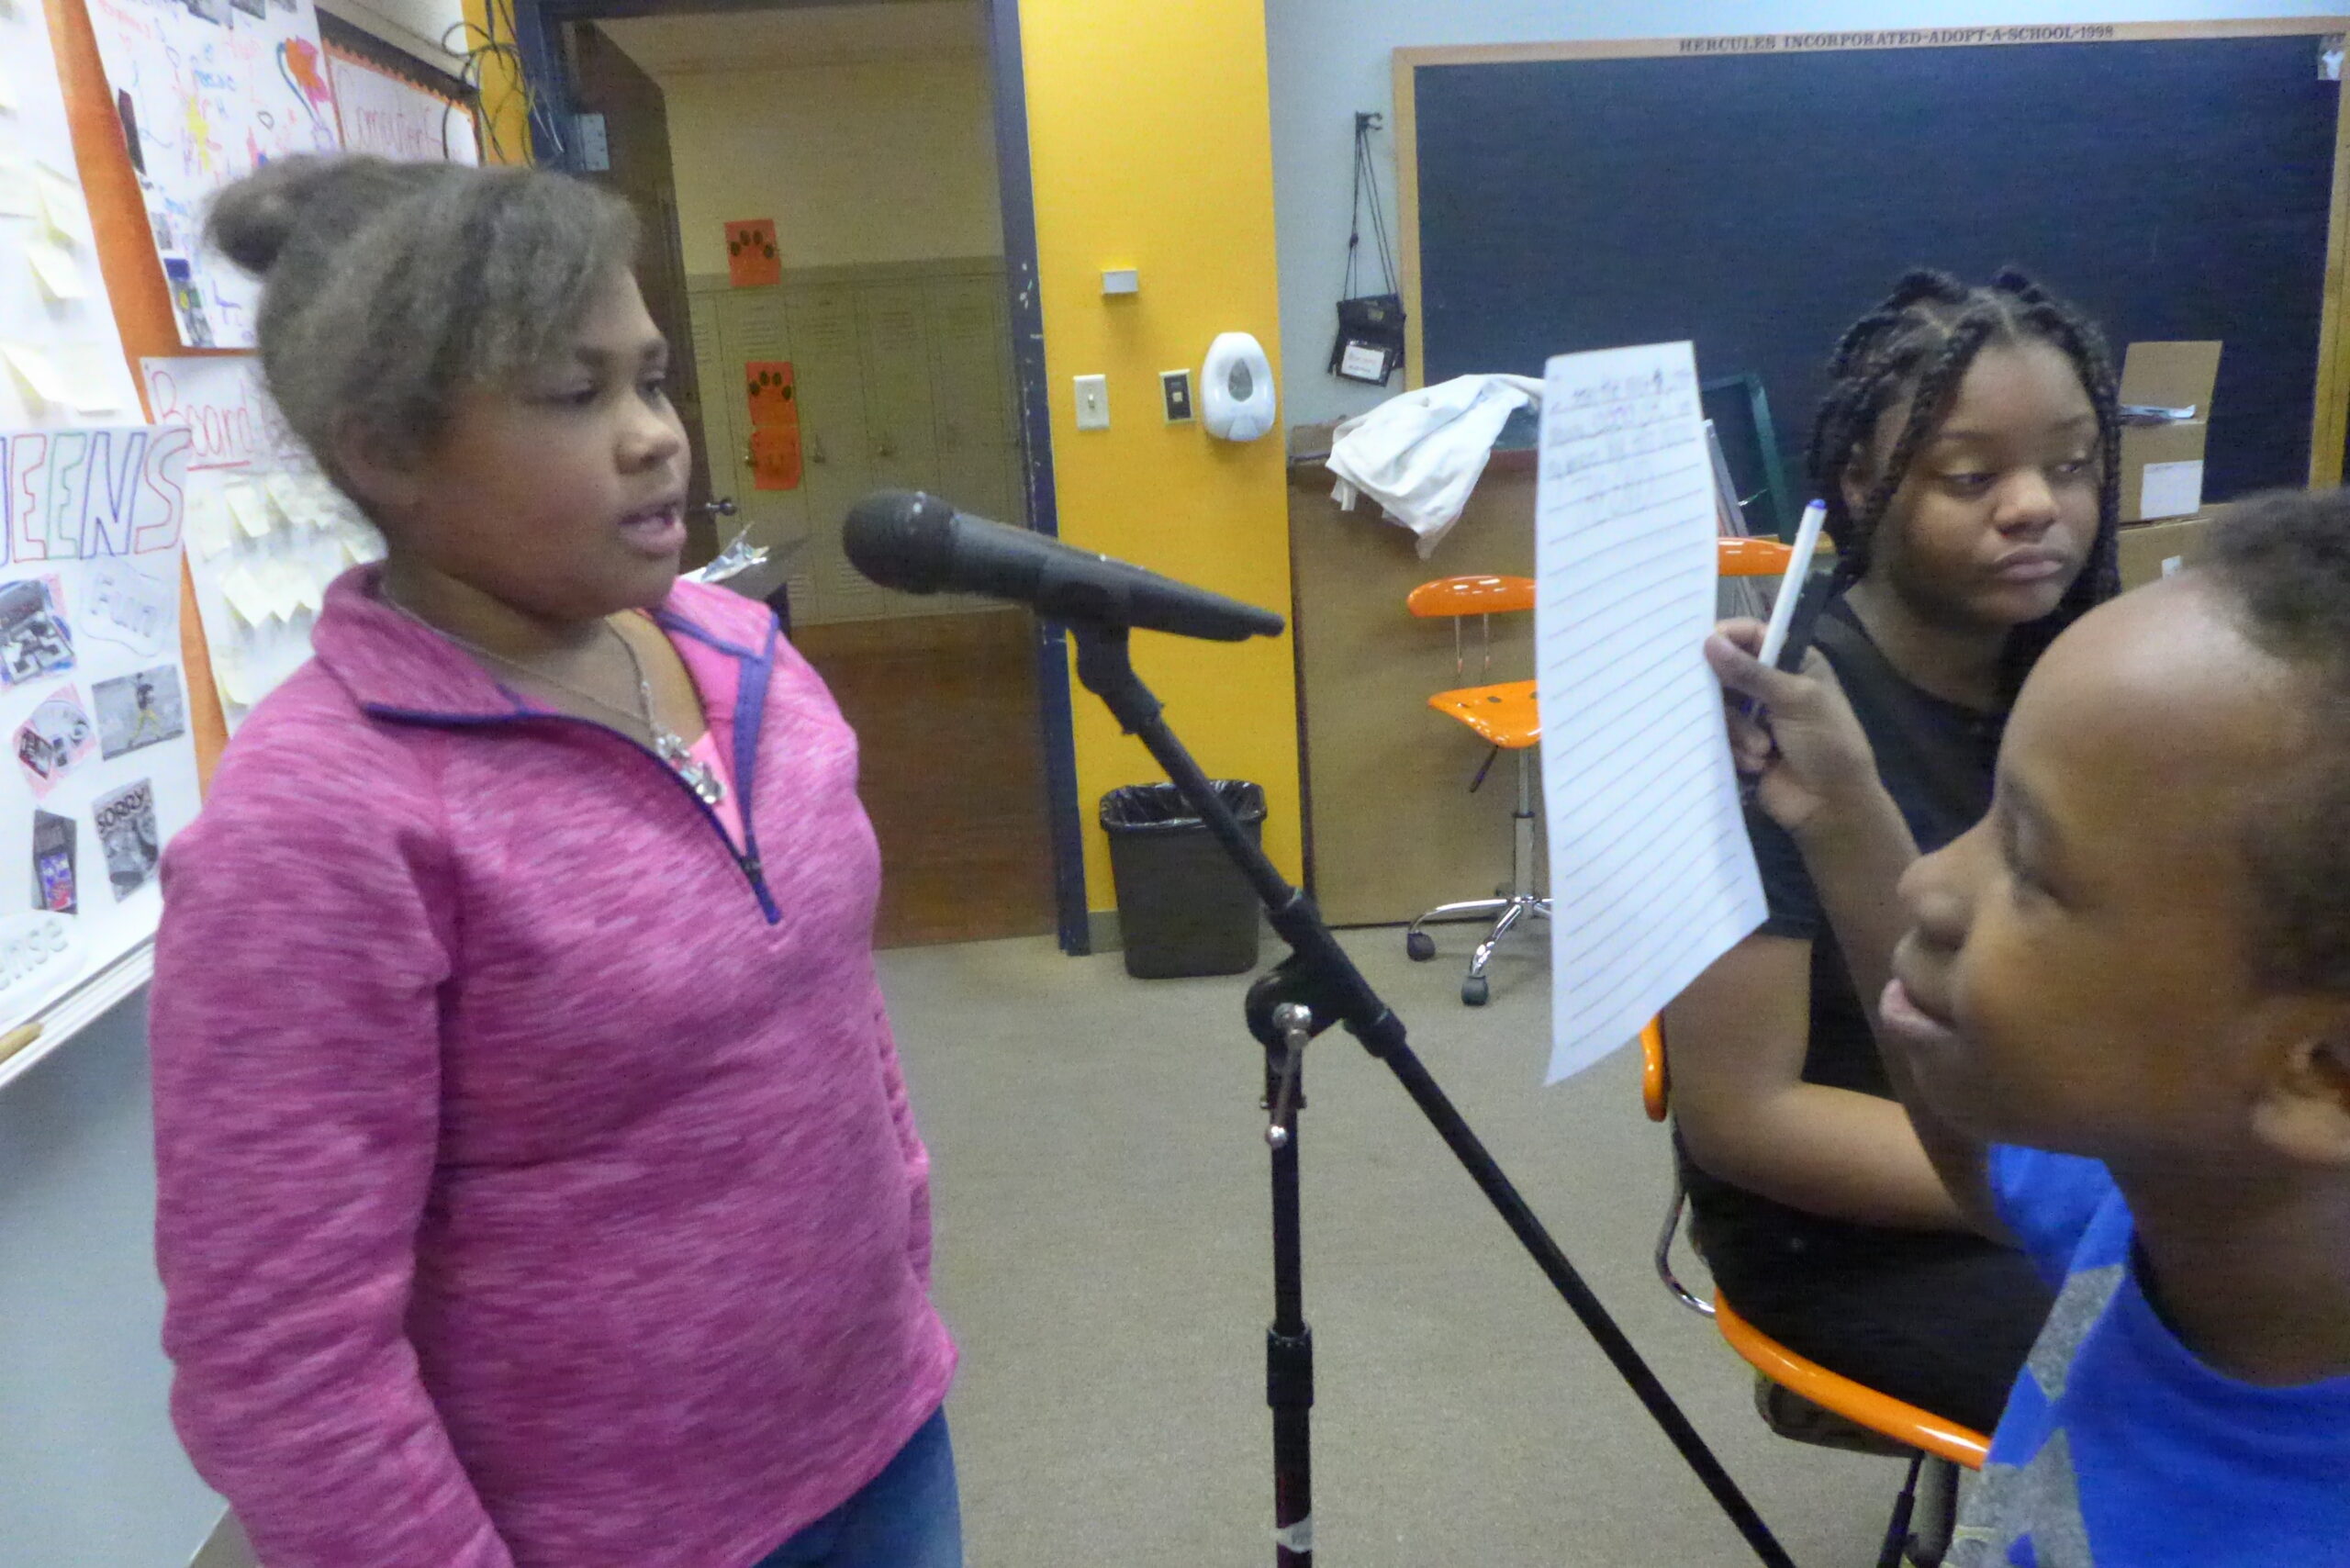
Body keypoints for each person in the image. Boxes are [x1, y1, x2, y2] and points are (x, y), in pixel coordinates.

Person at [149, 155, 958, 1568]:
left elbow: (828, 1005)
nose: (657, 437)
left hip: (877, 1433)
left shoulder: (743, 657)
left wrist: (898, 1243)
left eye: (651, 378)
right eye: (578, 396)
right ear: (383, 450)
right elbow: (278, 1352)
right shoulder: (322, 822)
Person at [1707, 490, 2350, 1562]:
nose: (1927, 883)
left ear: (2325, 1071)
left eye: (2033, 867)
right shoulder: (2181, 1197)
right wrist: (1841, 811)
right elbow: (1982, 1175)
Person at [1664, 270, 2121, 1432]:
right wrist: (2085, 1195)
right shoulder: (1772, 718)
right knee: (2208, 1406)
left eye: (2070, 465)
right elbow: (1743, 1113)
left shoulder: (2088, 668)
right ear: (1862, 485)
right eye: (1972, 476)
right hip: (1860, 1225)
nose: (2035, 506)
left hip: (2074, 1149)